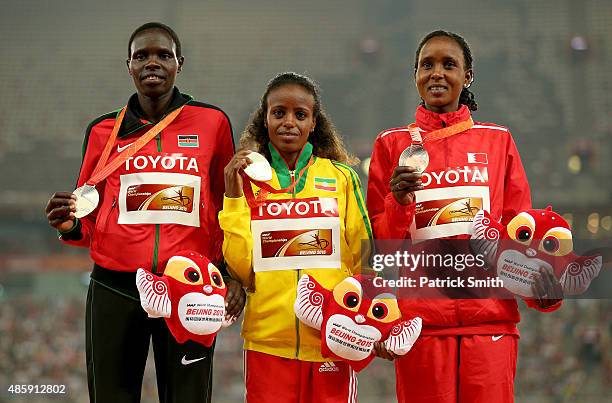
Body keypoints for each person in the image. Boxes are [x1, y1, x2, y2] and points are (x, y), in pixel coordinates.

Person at [44, 22, 244, 403]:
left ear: (179, 63)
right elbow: (88, 215)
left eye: (163, 55)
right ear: (129, 66)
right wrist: (70, 225)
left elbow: (226, 208)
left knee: (188, 397)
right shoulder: (104, 130)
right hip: (116, 287)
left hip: (190, 286)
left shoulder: (212, 122)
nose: (153, 63)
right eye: (142, 56)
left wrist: (229, 271)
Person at [367, 30, 564, 403]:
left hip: (490, 321)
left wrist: (544, 288)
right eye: (427, 65)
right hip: (421, 326)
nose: (437, 73)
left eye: (449, 65)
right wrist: (398, 201)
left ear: (467, 76)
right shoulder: (391, 144)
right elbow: (380, 244)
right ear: (415, 75)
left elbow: (520, 230)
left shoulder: (497, 140)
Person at [219, 72, 372, 403]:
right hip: (267, 343)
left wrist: (365, 318)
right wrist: (232, 198)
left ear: (313, 122)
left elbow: (365, 256)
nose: (289, 122)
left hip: (332, 339)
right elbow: (244, 271)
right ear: (266, 118)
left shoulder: (342, 178)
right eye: (279, 113)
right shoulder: (245, 182)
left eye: (300, 114)